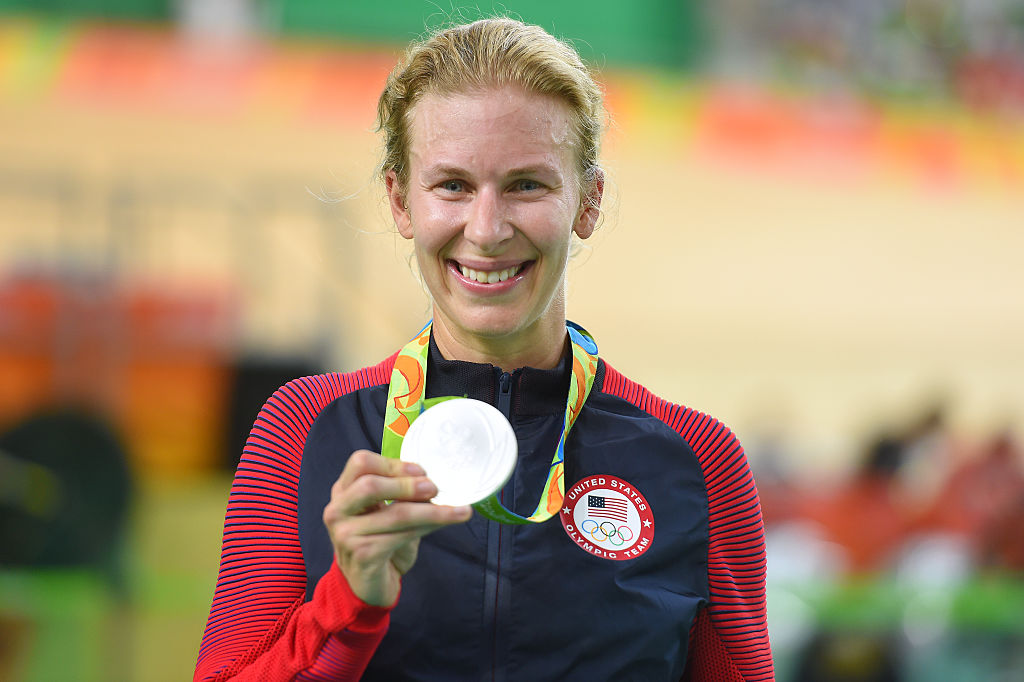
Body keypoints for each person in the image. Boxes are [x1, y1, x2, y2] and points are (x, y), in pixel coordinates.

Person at [194, 17, 772, 681]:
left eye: (527, 184)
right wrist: (348, 603)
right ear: (400, 199)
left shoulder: (699, 462)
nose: (488, 229)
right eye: (453, 186)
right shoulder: (303, 428)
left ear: (588, 201)